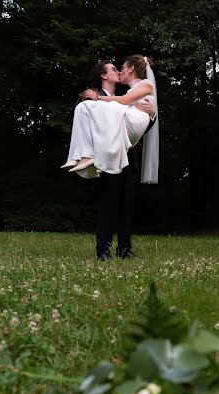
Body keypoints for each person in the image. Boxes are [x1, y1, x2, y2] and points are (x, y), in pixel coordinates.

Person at [61, 55, 159, 260]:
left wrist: (153, 115)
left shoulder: (128, 95)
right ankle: (103, 249)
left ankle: (125, 248)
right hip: (105, 156)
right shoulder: (93, 96)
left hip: (127, 156)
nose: (118, 71)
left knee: (127, 204)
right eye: (113, 69)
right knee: (108, 202)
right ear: (103, 75)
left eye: (120, 68)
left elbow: (137, 125)